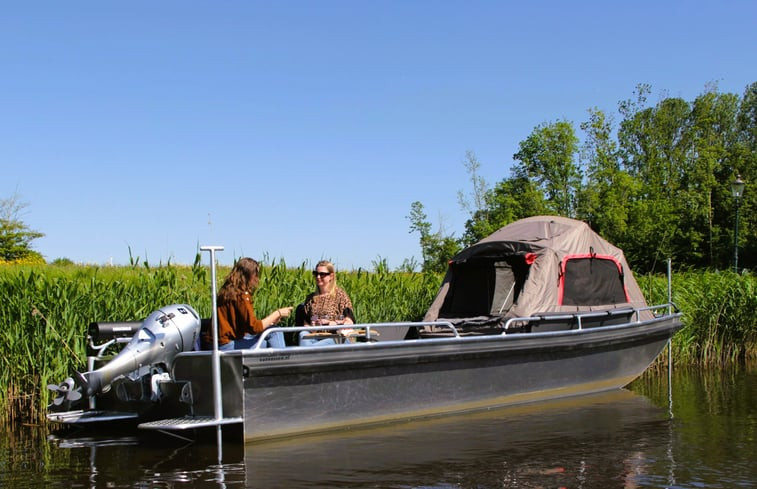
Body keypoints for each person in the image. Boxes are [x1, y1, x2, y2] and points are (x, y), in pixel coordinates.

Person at [202, 257, 293, 350]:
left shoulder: (226, 291)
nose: (257, 279)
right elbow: (254, 328)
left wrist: (270, 321)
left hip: (215, 343)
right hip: (225, 345)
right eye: (256, 275)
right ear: (248, 275)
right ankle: (283, 361)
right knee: (274, 333)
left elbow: (243, 324)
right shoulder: (242, 296)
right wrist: (278, 313)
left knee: (271, 331)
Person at [299, 260, 356, 346]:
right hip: (317, 337)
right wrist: (313, 325)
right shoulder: (311, 298)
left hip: (336, 337)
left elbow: (349, 322)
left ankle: (307, 353)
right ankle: (310, 353)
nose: (318, 277)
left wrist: (332, 323)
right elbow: (308, 322)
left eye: (322, 274)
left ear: (331, 276)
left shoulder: (340, 296)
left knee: (313, 346)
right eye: (316, 273)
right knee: (303, 334)